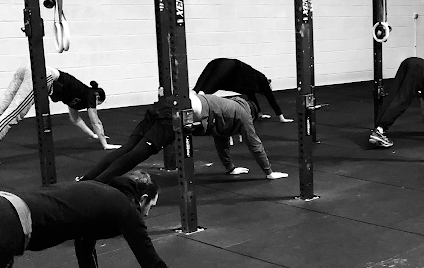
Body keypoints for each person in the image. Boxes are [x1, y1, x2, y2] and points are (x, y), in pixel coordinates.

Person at [0, 170, 211, 268]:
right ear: (143, 198)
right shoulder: (125, 209)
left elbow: (84, 245)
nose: (147, 214)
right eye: (150, 206)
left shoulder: (98, 193)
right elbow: (150, 260)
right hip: (10, 222)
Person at [80, 91, 288, 183]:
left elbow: (221, 139)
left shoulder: (228, 108)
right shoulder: (243, 116)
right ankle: (94, 185)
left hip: (165, 105)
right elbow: (255, 144)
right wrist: (269, 172)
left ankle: (87, 179)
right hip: (175, 113)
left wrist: (230, 168)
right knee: (135, 156)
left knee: (126, 149)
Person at [0, 64, 119, 149]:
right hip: (43, 75)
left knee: (4, 107)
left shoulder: (78, 95)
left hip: (27, 69)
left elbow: (75, 119)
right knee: (15, 113)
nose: (95, 106)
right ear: (97, 97)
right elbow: (96, 121)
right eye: (98, 104)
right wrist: (105, 144)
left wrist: (93, 135)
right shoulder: (91, 94)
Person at [194, 57, 292, 123]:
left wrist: (259, 114)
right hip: (230, 66)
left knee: (196, 91)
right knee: (202, 93)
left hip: (217, 63)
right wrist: (281, 117)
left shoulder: (251, 83)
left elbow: (252, 97)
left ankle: (189, 108)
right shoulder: (263, 80)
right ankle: (194, 113)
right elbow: (271, 98)